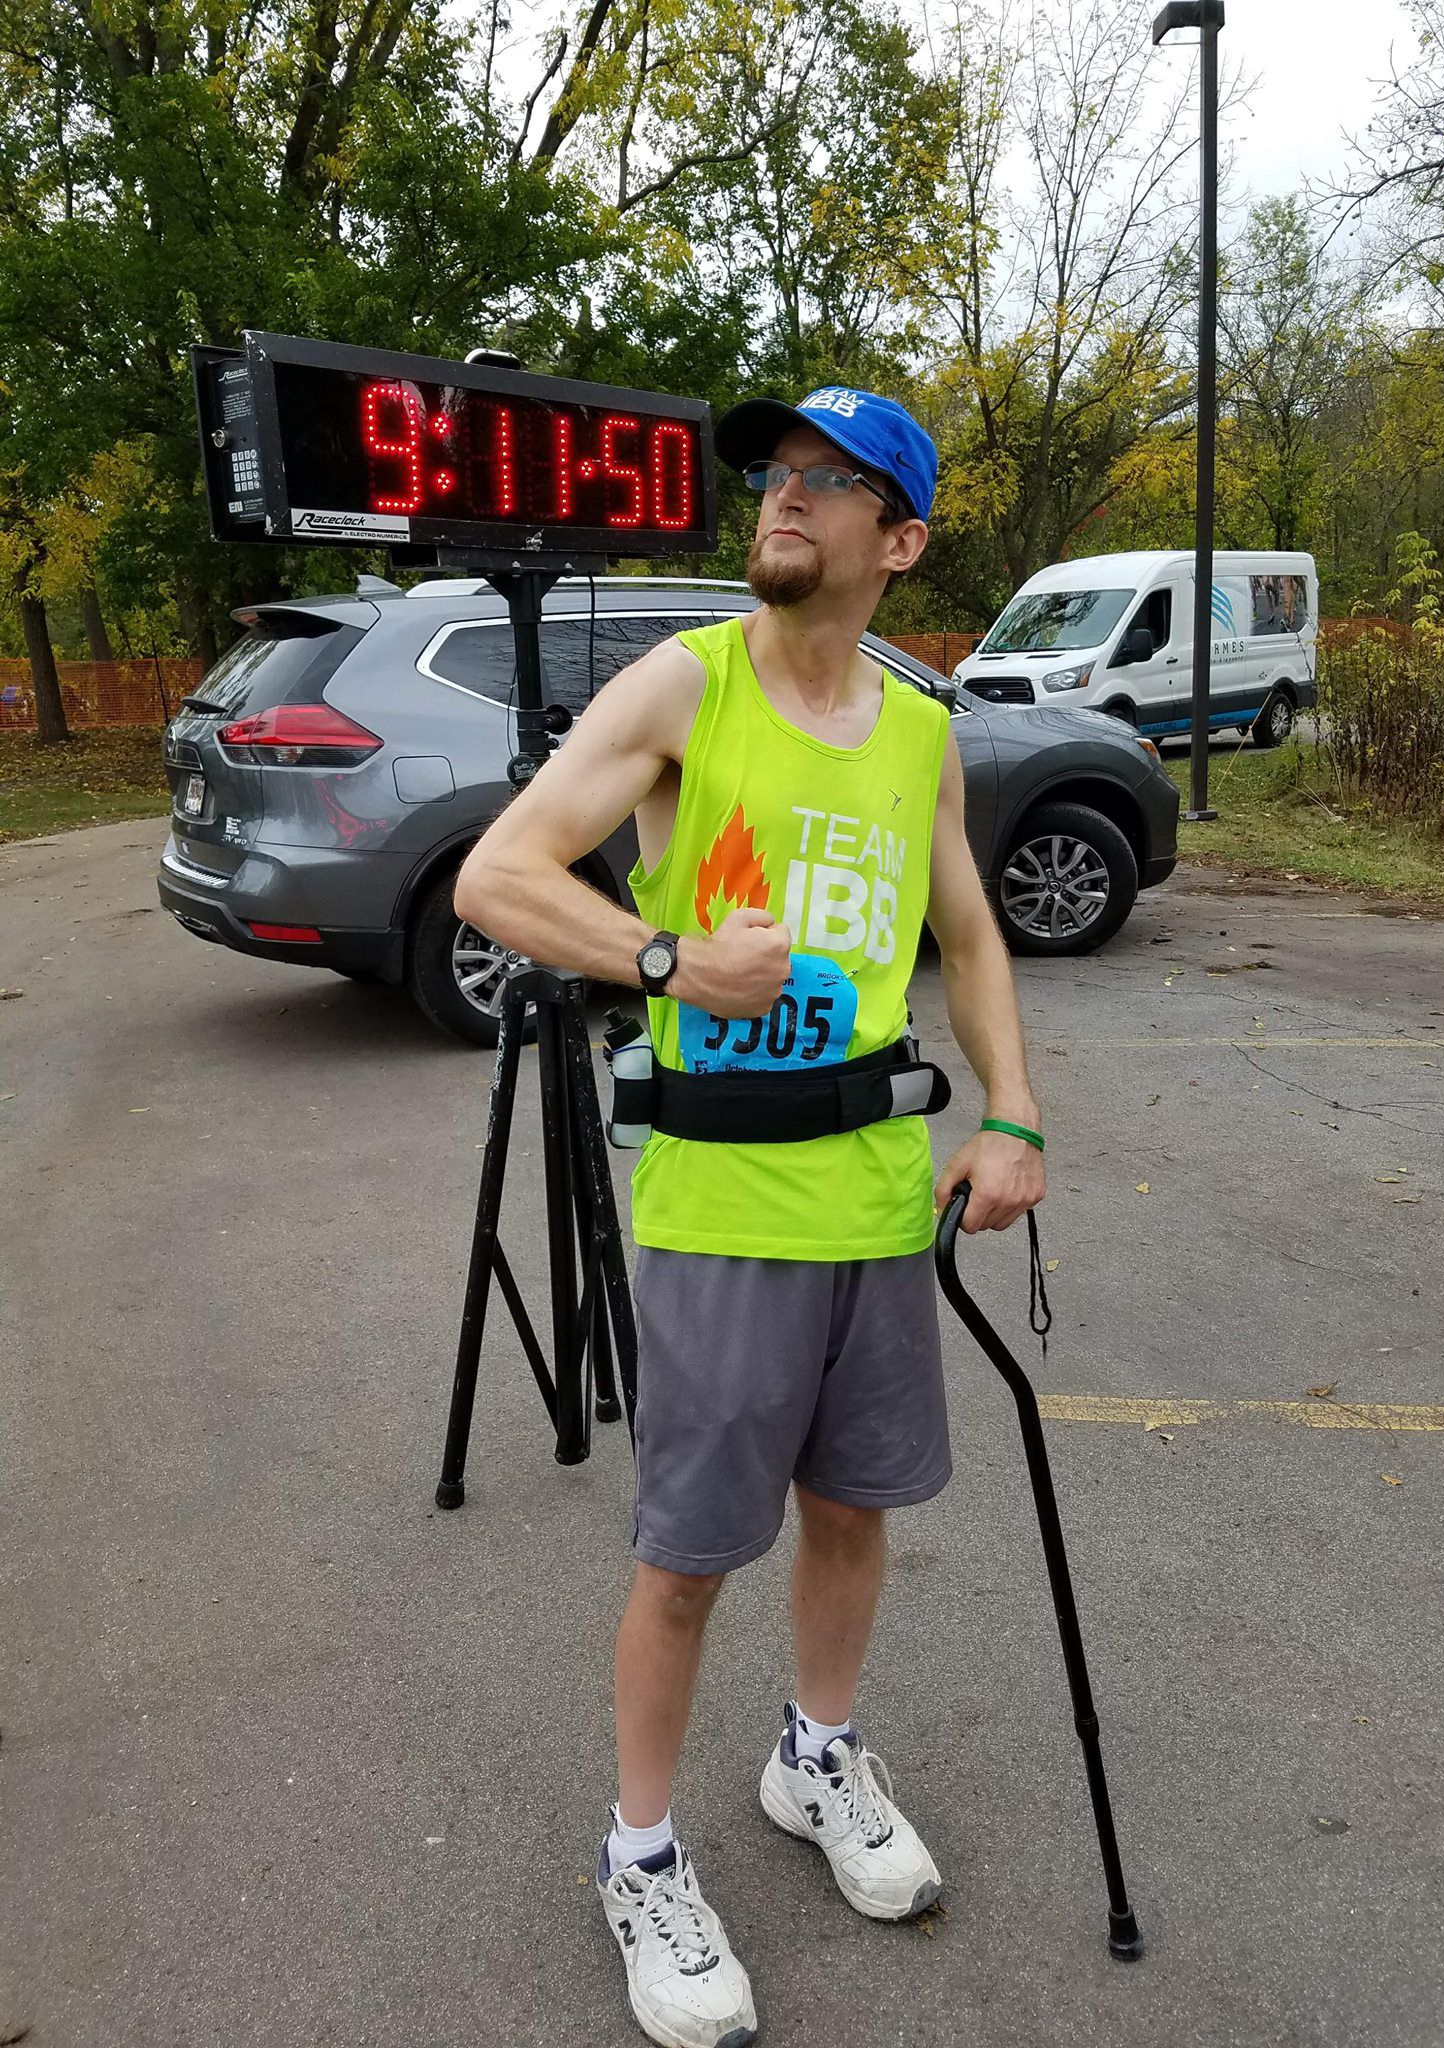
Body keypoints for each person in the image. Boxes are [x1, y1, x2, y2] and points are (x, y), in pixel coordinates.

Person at [454, 385, 1046, 2048]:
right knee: (689, 1557)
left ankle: (815, 1758)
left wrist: (1012, 1113)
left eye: (828, 480)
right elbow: (500, 876)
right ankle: (639, 1853)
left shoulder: (920, 730)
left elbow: (970, 937)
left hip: (878, 1197)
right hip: (722, 1208)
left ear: (898, 539)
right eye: (777, 474)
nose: (784, 498)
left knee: (853, 1512)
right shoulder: (687, 683)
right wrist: (665, 958)